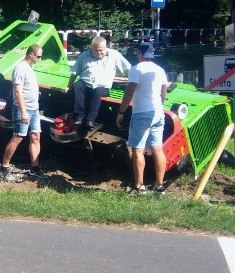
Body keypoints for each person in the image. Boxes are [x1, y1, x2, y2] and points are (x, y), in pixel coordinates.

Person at [115, 42, 168, 195]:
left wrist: (121, 111)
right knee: (157, 148)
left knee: (137, 149)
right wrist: (160, 103)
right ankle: (159, 187)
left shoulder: (136, 69)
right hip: (158, 112)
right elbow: (163, 91)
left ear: (139, 53)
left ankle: (139, 187)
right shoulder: (160, 69)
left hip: (142, 112)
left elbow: (129, 91)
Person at [0, 44, 47, 181]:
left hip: (34, 108)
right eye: (38, 56)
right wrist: (23, 111)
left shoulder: (29, 68)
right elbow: (18, 91)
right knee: (18, 137)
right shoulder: (20, 68)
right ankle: (4, 166)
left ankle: (35, 167)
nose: (39, 59)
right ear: (31, 54)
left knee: (36, 136)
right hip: (24, 109)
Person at [68, 36, 131, 127]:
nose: (99, 53)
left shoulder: (114, 55)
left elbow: (128, 68)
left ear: (106, 47)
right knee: (77, 85)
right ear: (91, 48)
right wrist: (68, 86)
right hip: (86, 83)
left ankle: (90, 119)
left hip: (102, 87)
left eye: (101, 50)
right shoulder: (84, 55)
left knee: (97, 90)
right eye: (96, 50)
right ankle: (79, 116)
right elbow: (74, 72)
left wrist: (133, 82)